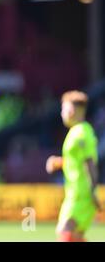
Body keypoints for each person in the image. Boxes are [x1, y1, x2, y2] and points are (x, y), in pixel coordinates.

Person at [46, 90, 100, 242]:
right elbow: (76, 160)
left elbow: (90, 162)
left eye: (64, 108)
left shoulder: (81, 133)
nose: (62, 113)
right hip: (74, 193)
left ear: (73, 110)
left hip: (82, 194)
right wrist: (59, 162)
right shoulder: (76, 131)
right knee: (73, 235)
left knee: (65, 231)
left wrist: (93, 191)